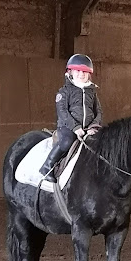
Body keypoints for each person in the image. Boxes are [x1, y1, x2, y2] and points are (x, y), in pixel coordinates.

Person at [39, 54, 102, 183]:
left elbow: (98, 111)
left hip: (88, 128)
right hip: (68, 127)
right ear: (70, 71)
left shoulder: (92, 92)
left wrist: (94, 126)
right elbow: (62, 111)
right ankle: (48, 166)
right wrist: (75, 127)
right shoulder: (64, 91)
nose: (81, 74)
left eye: (84, 71)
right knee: (67, 141)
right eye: (78, 71)